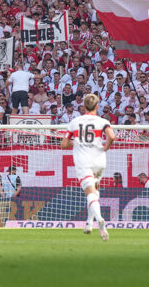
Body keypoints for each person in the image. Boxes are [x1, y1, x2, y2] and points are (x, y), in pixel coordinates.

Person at [60, 93, 115, 241]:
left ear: (83, 106)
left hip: (83, 161)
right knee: (95, 191)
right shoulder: (103, 121)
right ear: (97, 106)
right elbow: (112, 136)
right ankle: (89, 223)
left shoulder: (75, 122)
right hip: (99, 160)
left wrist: (75, 142)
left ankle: (100, 221)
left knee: (90, 192)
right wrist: (105, 147)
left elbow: (64, 144)